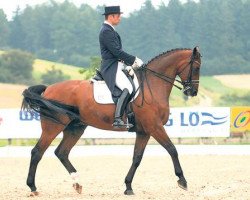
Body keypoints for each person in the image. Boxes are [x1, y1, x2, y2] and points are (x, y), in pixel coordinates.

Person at [99, 6, 143, 128]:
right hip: (111, 67)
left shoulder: (110, 30)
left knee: (135, 84)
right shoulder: (106, 31)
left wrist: (128, 64)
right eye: (118, 16)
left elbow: (118, 53)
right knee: (128, 87)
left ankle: (130, 114)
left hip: (117, 65)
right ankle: (118, 119)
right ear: (111, 16)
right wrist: (134, 60)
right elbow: (116, 52)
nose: (120, 19)